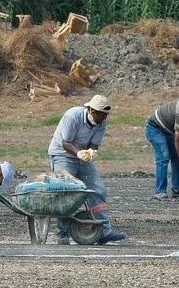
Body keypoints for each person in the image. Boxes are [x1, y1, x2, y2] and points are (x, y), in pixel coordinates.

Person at [48, 95, 127, 245]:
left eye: (105, 115)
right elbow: (65, 142)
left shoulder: (101, 123)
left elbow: (94, 144)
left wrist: (91, 152)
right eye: (101, 114)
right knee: (66, 192)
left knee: (98, 189)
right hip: (62, 155)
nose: (104, 118)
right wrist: (78, 153)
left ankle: (103, 231)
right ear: (91, 110)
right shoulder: (73, 116)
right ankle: (63, 234)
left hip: (82, 157)